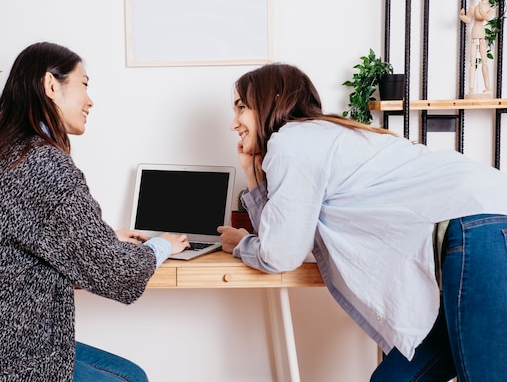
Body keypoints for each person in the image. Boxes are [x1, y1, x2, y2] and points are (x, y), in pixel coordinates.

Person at [217, 63, 507, 382]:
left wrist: (241, 244)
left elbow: (280, 254)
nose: (234, 124)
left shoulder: (292, 143)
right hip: (479, 225)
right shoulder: (322, 136)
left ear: (271, 98)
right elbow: (282, 234)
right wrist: (252, 171)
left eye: (241, 107)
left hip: (478, 227)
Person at [0, 42, 190, 382]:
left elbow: (27, 236)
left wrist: (105, 239)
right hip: (2, 358)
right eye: (84, 84)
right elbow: (115, 272)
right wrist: (162, 246)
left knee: (132, 375)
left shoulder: (4, 151)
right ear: (51, 85)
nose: (90, 100)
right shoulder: (42, 163)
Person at [459, 0, 494, 97]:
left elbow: (487, 17)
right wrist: (462, 16)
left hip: (482, 36)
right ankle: (471, 88)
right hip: (474, 34)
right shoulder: (474, 7)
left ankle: (487, 87)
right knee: (472, 62)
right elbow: (468, 19)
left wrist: (481, 10)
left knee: (484, 61)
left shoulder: (488, 8)